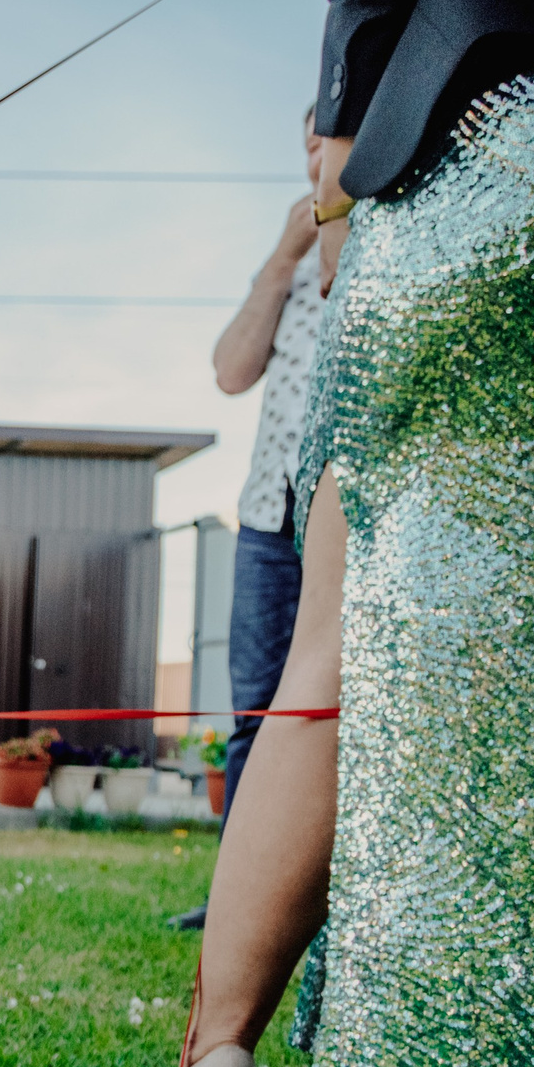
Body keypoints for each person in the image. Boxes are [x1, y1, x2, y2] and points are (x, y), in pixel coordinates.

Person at [157, 0, 534, 1067]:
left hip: (466, 160)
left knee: (329, 652)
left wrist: (349, 169)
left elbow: (363, 29)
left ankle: (218, 1054)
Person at [168, 109, 331, 933]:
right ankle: (236, 902)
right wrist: (281, 258)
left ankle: (328, 907)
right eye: (305, 137)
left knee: (341, 717)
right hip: (269, 519)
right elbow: (231, 371)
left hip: (354, 517)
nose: (315, 150)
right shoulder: (290, 265)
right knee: (253, 718)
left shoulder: (393, 234)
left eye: (327, 131)